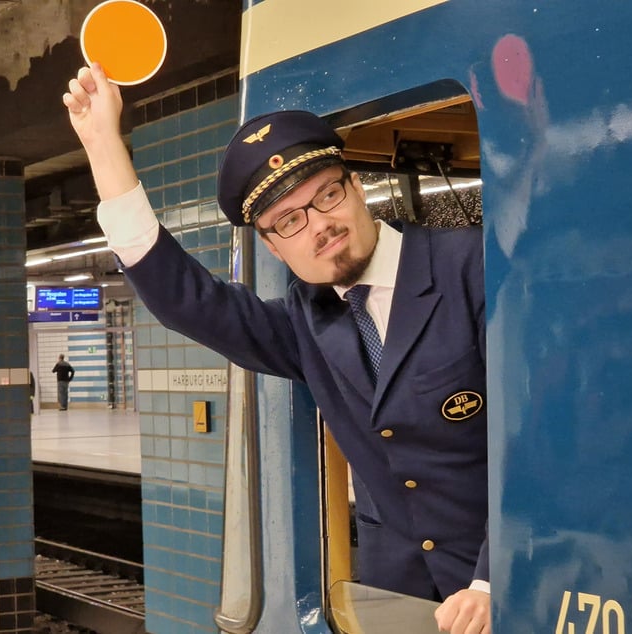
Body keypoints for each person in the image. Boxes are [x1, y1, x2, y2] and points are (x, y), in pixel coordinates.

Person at [63, 64, 490, 634]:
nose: (320, 226)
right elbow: (185, 300)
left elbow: (540, 434)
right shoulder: (306, 326)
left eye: (327, 196)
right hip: (398, 603)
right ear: (271, 244)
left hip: (511, 590)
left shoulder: (473, 266)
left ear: (356, 186)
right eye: (288, 221)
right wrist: (101, 143)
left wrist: (494, 578)